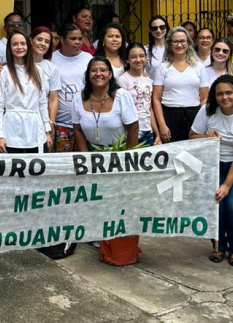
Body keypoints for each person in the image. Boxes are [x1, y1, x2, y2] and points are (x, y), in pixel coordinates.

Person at [73, 57, 139, 265]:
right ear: (88, 75)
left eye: (103, 70)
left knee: (117, 198)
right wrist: (86, 158)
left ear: (110, 74)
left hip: (118, 154)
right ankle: (97, 234)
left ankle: (118, 239)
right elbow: (77, 129)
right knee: (96, 195)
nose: (98, 74)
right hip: (93, 153)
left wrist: (128, 157)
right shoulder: (79, 98)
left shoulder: (121, 96)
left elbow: (133, 127)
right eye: (94, 70)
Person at [190, 76, 233, 267]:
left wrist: (227, 185)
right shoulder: (207, 111)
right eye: (220, 93)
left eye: (229, 93)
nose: (224, 97)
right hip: (214, 162)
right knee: (216, 204)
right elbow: (192, 136)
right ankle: (219, 246)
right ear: (214, 96)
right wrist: (206, 137)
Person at [0, 31, 51, 153]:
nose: (19, 47)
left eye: (23, 44)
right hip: (12, 129)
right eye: (15, 44)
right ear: (10, 48)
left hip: (36, 129)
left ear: (28, 46)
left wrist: (47, 130)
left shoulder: (39, 71)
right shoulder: (3, 72)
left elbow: (42, 103)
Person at [152, 27, 210, 143]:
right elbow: (156, 99)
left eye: (183, 41)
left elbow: (204, 99)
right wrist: (162, 125)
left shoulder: (199, 67)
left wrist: (205, 123)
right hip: (169, 116)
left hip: (194, 117)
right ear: (169, 44)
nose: (179, 45)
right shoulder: (162, 68)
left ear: (188, 43)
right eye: (175, 41)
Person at [51, 22, 89, 152]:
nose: (77, 42)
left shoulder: (88, 58)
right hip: (60, 124)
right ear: (62, 39)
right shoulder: (51, 58)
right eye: (73, 39)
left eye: (80, 39)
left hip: (84, 123)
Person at [118, 42, 159, 145]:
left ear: (146, 58)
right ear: (127, 60)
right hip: (131, 131)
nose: (138, 60)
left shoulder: (148, 80)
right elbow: (122, 109)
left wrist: (157, 133)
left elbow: (149, 109)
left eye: (141, 56)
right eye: (133, 57)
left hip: (148, 130)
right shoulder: (123, 79)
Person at [30, 25, 60, 132]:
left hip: (43, 120)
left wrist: (51, 122)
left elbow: (53, 99)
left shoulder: (51, 68)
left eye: (47, 42)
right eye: (39, 39)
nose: (43, 44)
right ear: (30, 40)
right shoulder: (19, 64)